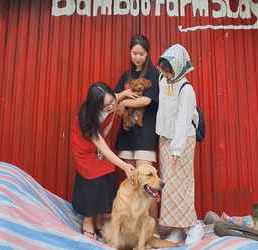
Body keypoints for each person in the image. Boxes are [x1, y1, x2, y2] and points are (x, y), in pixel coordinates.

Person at [71, 82, 135, 241]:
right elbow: (104, 149)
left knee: (108, 172)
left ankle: (99, 218)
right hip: (84, 150)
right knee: (94, 176)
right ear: (96, 106)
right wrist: (125, 166)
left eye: (113, 101)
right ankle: (88, 221)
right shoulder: (86, 118)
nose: (112, 106)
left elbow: (117, 96)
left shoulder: (111, 100)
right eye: (107, 105)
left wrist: (127, 93)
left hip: (99, 147)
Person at [156, 44, 204, 245]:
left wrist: (176, 150)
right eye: (163, 69)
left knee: (182, 185)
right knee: (168, 186)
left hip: (182, 142)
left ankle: (193, 226)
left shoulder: (187, 89)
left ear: (179, 67)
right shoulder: (162, 80)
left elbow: (184, 121)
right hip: (165, 139)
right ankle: (176, 228)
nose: (165, 74)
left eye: (169, 70)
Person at [114, 34, 159, 218]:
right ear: (130, 53)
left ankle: (153, 228)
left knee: (148, 186)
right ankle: (135, 226)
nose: (137, 57)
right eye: (134, 53)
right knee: (132, 184)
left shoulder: (152, 73)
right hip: (126, 134)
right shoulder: (126, 75)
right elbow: (113, 99)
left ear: (147, 54)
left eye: (141, 53)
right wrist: (123, 94)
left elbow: (147, 99)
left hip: (145, 135)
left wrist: (124, 103)